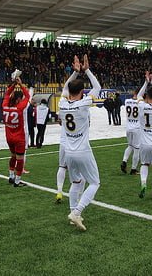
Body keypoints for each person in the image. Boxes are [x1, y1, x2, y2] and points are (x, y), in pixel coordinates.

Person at [59, 54, 101, 231]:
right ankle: (76, 212)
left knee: (76, 182)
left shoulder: (61, 103)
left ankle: (73, 214)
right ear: (82, 92)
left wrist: (75, 73)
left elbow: (64, 90)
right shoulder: (84, 103)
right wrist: (86, 70)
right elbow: (97, 87)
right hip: (82, 150)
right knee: (94, 183)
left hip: (68, 151)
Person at [2, 76, 30, 187]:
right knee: (20, 159)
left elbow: (7, 94)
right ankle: (17, 181)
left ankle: (11, 175)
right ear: (18, 100)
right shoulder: (19, 108)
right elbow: (28, 96)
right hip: (19, 137)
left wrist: (13, 84)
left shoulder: (4, 106)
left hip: (9, 137)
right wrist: (20, 84)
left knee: (13, 156)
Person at [120, 89, 141, 175]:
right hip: (137, 128)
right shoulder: (141, 103)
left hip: (128, 127)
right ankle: (133, 169)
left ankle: (124, 161)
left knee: (130, 146)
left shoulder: (127, 101)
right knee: (137, 149)